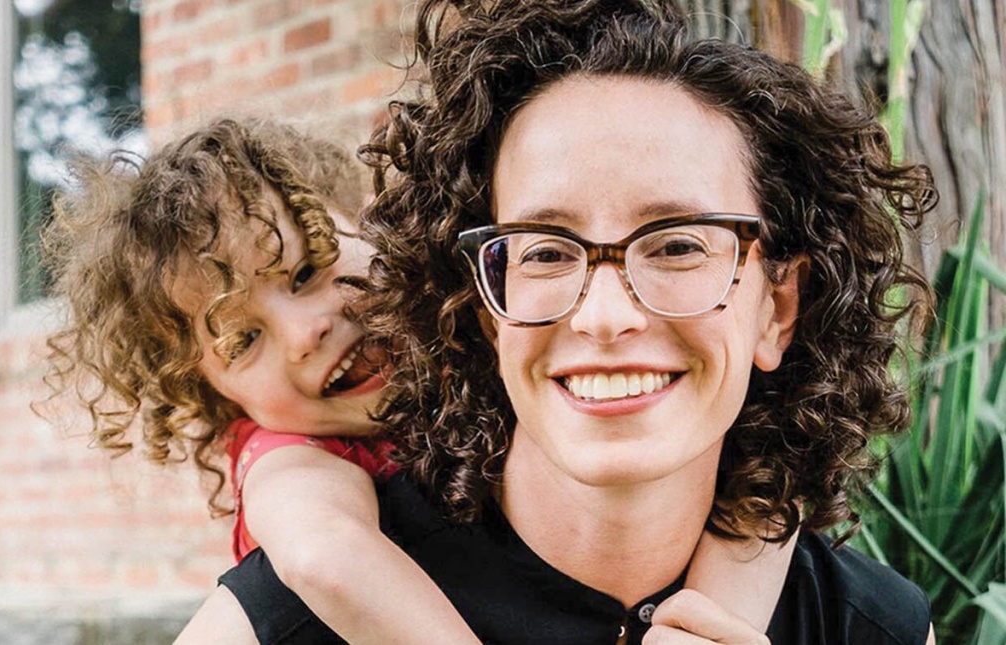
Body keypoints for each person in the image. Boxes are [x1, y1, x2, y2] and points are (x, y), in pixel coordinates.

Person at [183, 0, 940, 643]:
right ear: (485, 306)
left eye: (677, 244)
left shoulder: (870, 625)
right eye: (545, 252)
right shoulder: (300, 617)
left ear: (777, 307)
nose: (605, 315)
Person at [41, 115, 794, 645]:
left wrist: (712, 616)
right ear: (214, 396)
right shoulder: (291, 462)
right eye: (244, 337)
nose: (306, 331)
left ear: (372, 230)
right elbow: (324, 557)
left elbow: (766, 485)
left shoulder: (489, 343)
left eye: (307, 270)